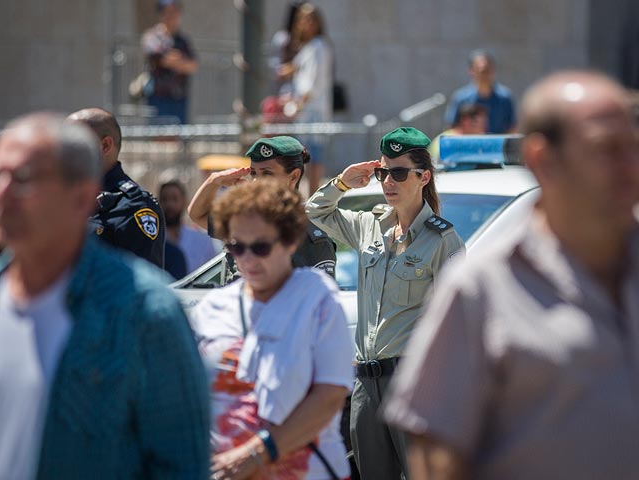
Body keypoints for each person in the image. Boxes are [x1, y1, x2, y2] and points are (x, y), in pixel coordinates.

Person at [383, 71, 639, 480]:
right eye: (606, 150)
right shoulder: (480, 287)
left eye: (633, 147)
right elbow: (435, 455)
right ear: (543, 160)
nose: (630, 166)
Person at [0, 113, 210, 479]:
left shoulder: (147, 313)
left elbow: (181, 463)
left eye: (24, 179)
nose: (3, 193)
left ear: (81, 197)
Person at [306, 126, 466, 479]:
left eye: (397, 172)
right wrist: (343, 183)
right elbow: (314, 212)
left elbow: (456, 326)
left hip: (413, 383)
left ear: (423, 176)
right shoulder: (368, 226)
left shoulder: (443, 240)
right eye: (382, 172)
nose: (387, 181)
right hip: (366, 384)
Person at [191, 179, 353, 479]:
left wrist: (253, 454)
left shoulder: (318, 299)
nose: (247, 259)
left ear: (291, 241)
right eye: (236, 247)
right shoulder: (212, 308)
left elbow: (330, 396)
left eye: (261, 247)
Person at [188, 135, 336, 282]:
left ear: (293, 177)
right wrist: (214, 181)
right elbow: (198, 214)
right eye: (253, 173)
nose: (256, 181)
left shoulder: (310, 234)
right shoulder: (243, 220)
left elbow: (318, 298)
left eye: (267, 173)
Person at [67, 107, 166, 268]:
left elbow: (140, 283)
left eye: (74, 144)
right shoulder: (62, 198)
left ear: (105, 146)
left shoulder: (133, 206)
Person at [278, 3, 333, 194]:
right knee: (304, 158)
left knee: (314, 159)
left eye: (310, 20)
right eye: (303, 19)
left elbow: (312, 83)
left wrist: (298, 104)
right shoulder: (308, 47)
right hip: (305, 110)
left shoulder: (319, 45)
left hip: (313, 110)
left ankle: (314, 199)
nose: (306, 24)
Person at [142, 0, 198, 124]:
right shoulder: (152, 36)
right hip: (158, 97)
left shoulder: (183, 40)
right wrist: (180, 61)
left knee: (178, 137)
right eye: (167, 12)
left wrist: (178, 61)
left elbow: (193, 66)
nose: (171, 16)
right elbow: (159, 58)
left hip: (179, 97)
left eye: (174, 12)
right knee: (160, 137)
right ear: (161, 14)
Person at [445, 49, 516, 134]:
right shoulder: (461, 98)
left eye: (488, 70)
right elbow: (451, 127)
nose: (485, 75)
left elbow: (512, 127)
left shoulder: (505, 97)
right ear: (471, 71)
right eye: (482, 71)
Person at [159, 179, 219, 276]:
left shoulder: (202, 240)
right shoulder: (153, 240)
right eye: (165, 199)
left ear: (184, 202)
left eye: (174, 199)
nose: (169, 204)